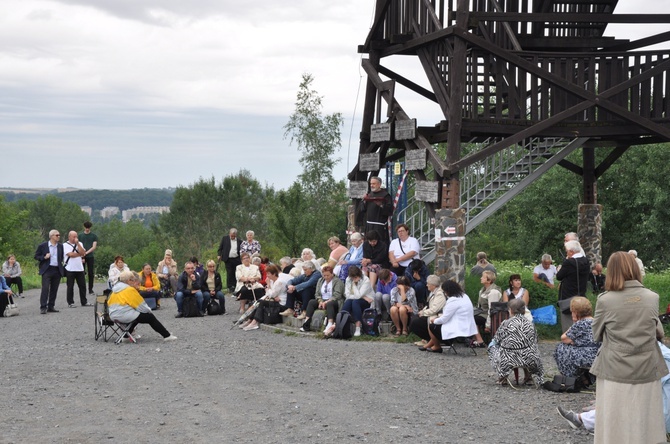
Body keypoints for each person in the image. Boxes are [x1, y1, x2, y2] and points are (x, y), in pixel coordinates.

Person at [590, 251, 667, 443]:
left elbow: (596, 334)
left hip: (614, 367)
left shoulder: (605, 300)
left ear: (612, 271)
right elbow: (658, 331)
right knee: (644, 419)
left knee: (615, 420)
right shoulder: (652, 297)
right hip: (647, 367)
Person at [556, 340, 670, 436]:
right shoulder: (659, 353)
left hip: (658, 421)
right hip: (657, 413)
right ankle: (589, 416)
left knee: (624, 401)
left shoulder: (656, 359)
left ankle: (586, 419)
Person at [108, 270, 177, 342]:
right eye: (133, 280)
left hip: (113, 315)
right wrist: (148, 311)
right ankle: (167, 335)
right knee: (149, 317)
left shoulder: (115, 290)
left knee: (135, 316)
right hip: (124, 315)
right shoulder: (129, 289)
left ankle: (126, 337)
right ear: (128, 280)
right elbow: (140, 305)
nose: (134, 281)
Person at [488, 298, 544, 385]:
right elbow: (535, 339)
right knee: (531, 347)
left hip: (509, 359)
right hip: (530, 359)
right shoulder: (530, 323)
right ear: (524, 311)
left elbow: (497, 339)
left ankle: (503, 377)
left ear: (510, 310)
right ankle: (528, 376)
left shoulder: (506, 323)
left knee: (492, 346)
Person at [423, 280, 478, 353]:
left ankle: (437, 346)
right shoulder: (464, 296)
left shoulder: (453, 300)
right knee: (435, 321)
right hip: (468, 327)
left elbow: (444, 319)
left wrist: (435, 320)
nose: (445, 293)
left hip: (458, 329)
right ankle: (431, 344)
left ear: (448, 291)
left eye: (444, 291)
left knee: (432, 325)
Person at [553, 296, 600, 377]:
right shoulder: (595, 321)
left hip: (586, 357)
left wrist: (574, 324)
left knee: (561, 347)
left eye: (572, 312)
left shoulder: (581, 323)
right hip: (597, 355)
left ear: (576, 312)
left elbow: (564, 338)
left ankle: (570, 375)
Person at [240, 264, 292, 331]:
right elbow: (271, 294)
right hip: (276, 300)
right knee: (259, 302)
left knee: (262, 303)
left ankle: (255, 322)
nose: (267, 276)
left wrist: (268, 286)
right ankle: (250, 320)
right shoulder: (272, 281)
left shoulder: (279, 282)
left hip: (282, 303)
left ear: (274, 274)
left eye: (269, 274)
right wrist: (270, 291)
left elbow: (271, 294)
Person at [556, 240, 590, 332]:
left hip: (568, 296)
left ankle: (569, 342)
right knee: (581, 322)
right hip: (581, 295)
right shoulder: (586, 261)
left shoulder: (569, 263)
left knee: (568, 325)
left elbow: (559, 276)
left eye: (567, 251)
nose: (566, 253)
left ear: (571, 251)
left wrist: (560, 269)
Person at [300, 265, 345, 333]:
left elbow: (337, 294)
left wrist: (326, 302)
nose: (326, 277)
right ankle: (307, 323)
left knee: (330, 304)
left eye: (328, 275)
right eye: (324, 275)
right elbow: (317, 293)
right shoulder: (320, 280)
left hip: (334, 300)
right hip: (322, 299)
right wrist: (320, 301)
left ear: (332, 274)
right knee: (311, 302)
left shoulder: (337, 281)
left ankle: (330, 323)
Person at [409, 275, 446, 346]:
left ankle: (431, 340)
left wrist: (423, 313)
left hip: (435, 315)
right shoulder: (433, 292)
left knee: (415, 322)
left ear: (433, 285)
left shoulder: (439, 294)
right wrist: (422, 311)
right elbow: (428, 305)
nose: (426, 285)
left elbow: (435, 309)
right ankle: (427, 339)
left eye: (428, 284)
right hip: (430, 314)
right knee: (413, 319)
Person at [356, 176, 394, 245]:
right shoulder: (369, 195)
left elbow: (390, 210)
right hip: (369, 225)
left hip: (379, 226)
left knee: (379, 244)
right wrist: (364, 200)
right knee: (368, 244)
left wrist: (381, 205)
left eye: (374, 184)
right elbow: (363, 209)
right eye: (371, 184)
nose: (371, 185)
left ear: (379, 184)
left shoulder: (385, 195)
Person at [34, 229, 65, 314]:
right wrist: (44, 257)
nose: (59, 236)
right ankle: (43, 307)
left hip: (57, 269)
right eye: (57, 235)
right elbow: (36, 256)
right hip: (47, 269)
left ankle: (51, 306)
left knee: (54, 289)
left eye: (59, 235)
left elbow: (61, 257)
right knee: (45, 289)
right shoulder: (43, 245)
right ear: (51, 236)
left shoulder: (60, 246)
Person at [340, 266, 375, 337]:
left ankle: (358, 327)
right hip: (361, 299)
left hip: (368, 302)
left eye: (355, 277)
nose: (354, 279)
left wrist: (354, 285)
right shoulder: (348, 279)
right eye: (352, 278)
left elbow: (358, 296)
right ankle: (340, 324)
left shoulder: (366, 280)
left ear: (359, 275)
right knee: (348, 302)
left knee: (355, 302)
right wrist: (364, 297)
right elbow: (347, 295)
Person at [63, 230, 90, 308]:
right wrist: (80, 254)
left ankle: (84, 301)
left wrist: (78, 243)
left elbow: (83, 253)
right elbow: (70, 254)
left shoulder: (80, 244)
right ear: (69, 237)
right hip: (70, 268)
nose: (75, 238)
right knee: (70, 286)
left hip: (79, 268)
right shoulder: (65, 245)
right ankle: (70, 302)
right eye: (73, 236)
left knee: (82, 286)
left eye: (76, 236)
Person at [474, 270, 502, 334]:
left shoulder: (494, 292)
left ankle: (480, 341)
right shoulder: (482, 290)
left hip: (490, 317)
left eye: (483, 277)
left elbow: (492, 310)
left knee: (473, 319)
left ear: (489, 280)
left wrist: (488, 325)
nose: (481, 278)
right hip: (482, 313)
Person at [217, 228, 241, 293]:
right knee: (229, 272)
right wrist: (219, 255)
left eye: (234, 236)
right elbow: (220, 248)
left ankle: (237, 286)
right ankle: (230, 287)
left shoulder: (239, 241)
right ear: (229, 233)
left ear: (236, 235)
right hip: (228, 259)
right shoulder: (225, 239)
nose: (232, 237)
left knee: (236, 272)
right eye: (231, 235)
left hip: (237, 259)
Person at [78, 221, 98, 295]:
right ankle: (82, 288)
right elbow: (78, 245)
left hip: (90, 256)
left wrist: (86, 252)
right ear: (84, 227)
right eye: (86, 227)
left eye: (88, 228)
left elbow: (94, 246)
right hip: (81, 255)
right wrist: (82, 253)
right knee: (81, 272)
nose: (87, 229)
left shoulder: (93, 236)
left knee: (90, 273)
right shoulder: (80, 236)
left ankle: (90, 289)